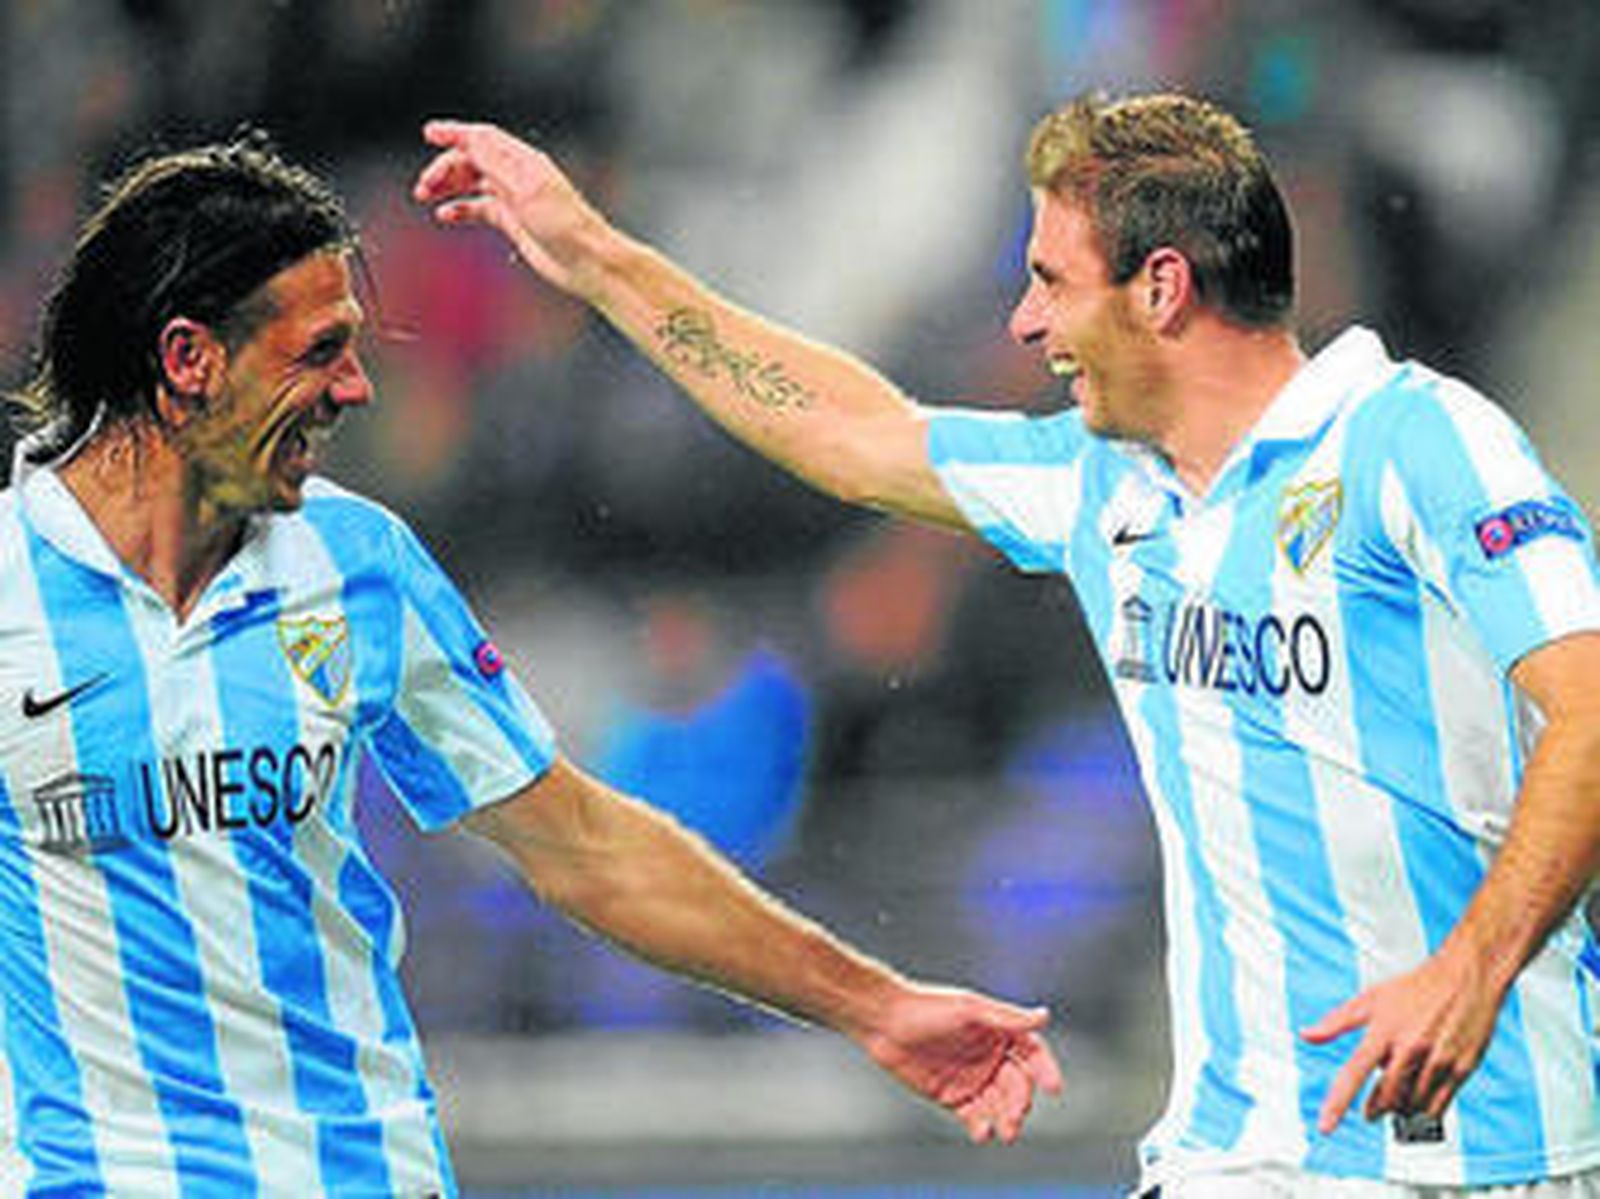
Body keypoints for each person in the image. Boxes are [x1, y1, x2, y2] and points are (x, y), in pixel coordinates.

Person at [412, 89, 1600, 1198]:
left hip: (1482, 1152)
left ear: (1162, 288)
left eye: (1050, 281)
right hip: (1234, 1154)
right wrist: (596, 260)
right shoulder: (1099, 487)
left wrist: (1469, 970)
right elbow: (848, 427)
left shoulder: (1419, 441)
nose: (1026, 322)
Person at [0, 132, 1064, 1197]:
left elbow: (583, 846)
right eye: (320, 350)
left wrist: (874, 1004)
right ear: (190, 360)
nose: (358, 388)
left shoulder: (354, 561)